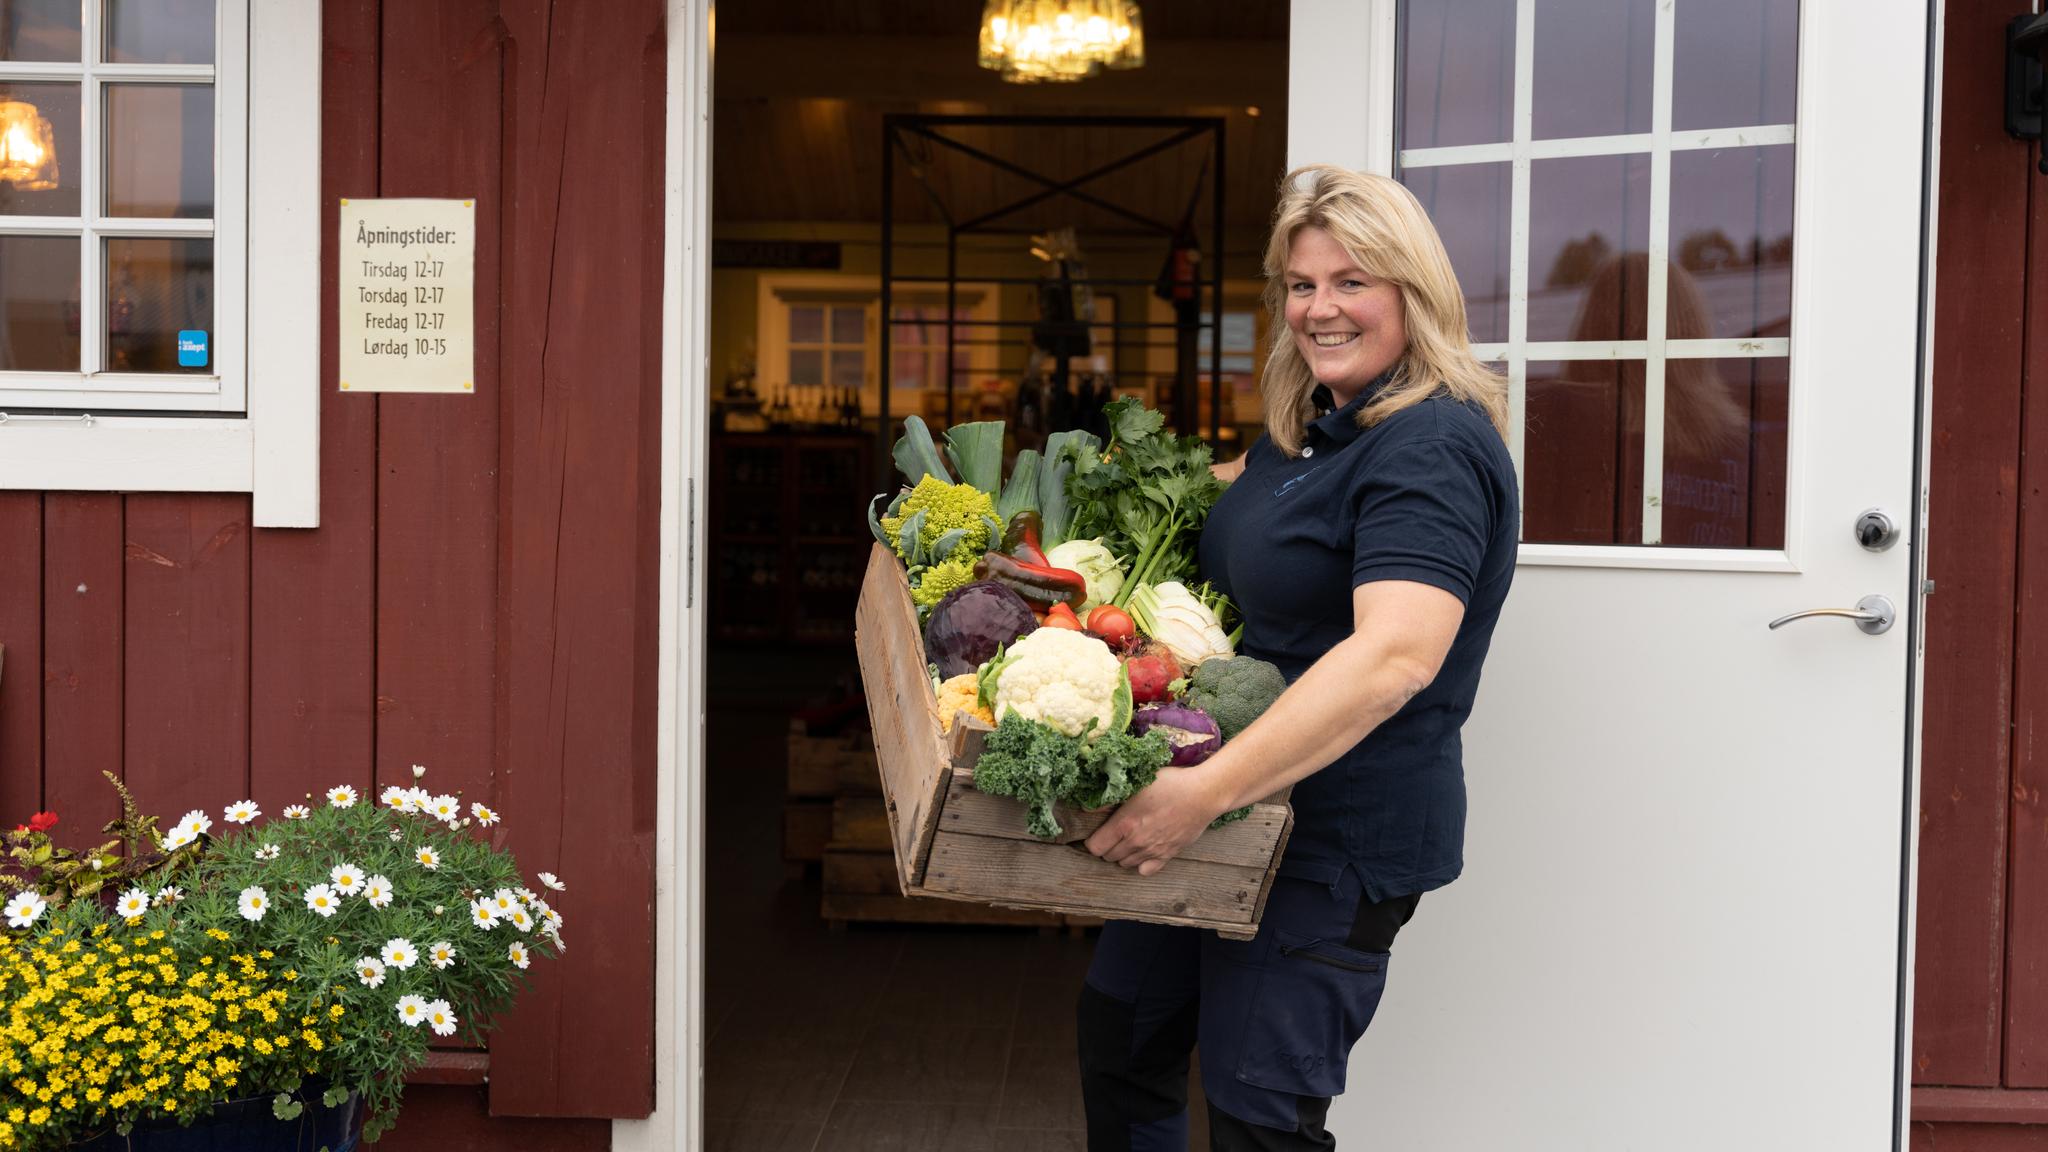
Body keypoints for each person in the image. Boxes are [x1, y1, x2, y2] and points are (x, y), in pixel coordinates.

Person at [1075, 164, 1521, 1149]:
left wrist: (1198, 796)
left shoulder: (1427, 446)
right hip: (1219, 810)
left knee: (1257, 1116)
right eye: (1301, 284)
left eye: (1351, 281)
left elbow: (1394, 658)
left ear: (1414, 292)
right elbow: (1222, 500)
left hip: (1326, 838)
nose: (1320, 308)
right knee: (1123, 1037)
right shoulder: (1313, 428)